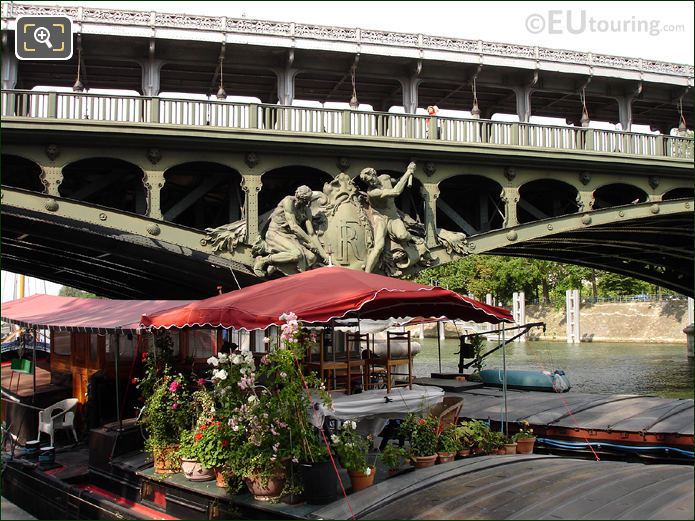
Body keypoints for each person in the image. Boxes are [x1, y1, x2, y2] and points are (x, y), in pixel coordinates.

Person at [253, 185, 329, 276]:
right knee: (296, 254)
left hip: (290, 236)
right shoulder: (288, 201)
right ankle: (263, 260)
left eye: (308, 201)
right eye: (304, 200)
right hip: (276, 233)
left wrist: (323, 254)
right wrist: (309, 242)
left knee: (311, 257)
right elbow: (294, 226)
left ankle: (279, 264)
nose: (306, 204)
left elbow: (312, 234)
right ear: (297, 196)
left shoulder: (306, 210)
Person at [359, 162, 416, 273]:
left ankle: (413, 238)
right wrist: (408, 172)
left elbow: (396, 182)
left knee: (403, 235)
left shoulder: (385, 178)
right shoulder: (373, 192)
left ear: (374, 173)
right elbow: (396, 191)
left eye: (371, 179)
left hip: (393, 216)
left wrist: (407, 174)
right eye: (368, 182)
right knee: (379, 246)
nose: (371, 182)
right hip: (380, 218)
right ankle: (367, 274)